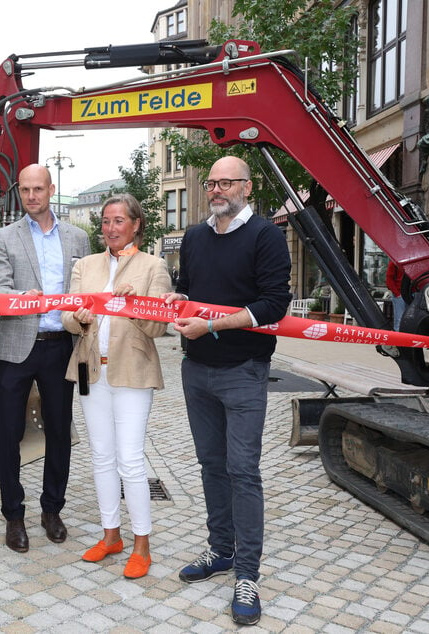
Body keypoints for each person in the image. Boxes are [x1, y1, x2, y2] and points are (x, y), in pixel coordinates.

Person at [162, 156, 291, 626]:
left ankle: (248, 574)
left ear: (246, 187)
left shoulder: (267, 236)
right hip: (197, 370)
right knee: (211, 465)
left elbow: (275, 304)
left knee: (243, 470)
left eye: (225, 183)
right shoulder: (194, 238)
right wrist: (179, 301)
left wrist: (213, 323)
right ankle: (220, 550)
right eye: (211, 183)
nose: (216, 189)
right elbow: (188, 288)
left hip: (244, 370)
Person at [61, 194, 169, 579]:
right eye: (105, 221)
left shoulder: (153, 267)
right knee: (101, 457)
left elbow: (159, 327)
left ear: (136, 223)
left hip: (133, 374)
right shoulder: (85, 265)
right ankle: (111, 536)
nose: (110, 228)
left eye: (118, 221)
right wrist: (80, 319)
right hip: (92, 372)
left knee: (131, 460)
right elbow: (67, 317)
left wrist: (136, 304)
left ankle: (142, 543)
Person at [0, 164, 91, 552]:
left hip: (60, 345)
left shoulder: (77, 239)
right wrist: (18, 299)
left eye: (38, 189)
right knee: (9, 432)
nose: (32, 196)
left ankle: (52, 509)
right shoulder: (4, 237)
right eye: (25, 190)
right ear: (20, 193)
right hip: (18, 344)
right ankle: (13, 515)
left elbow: (86, 290)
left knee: (59, 431)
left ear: (51, 189)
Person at [386, 260, 406, 330]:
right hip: (401, 293)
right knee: (399, 320)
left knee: (406, 319)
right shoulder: (394, 262)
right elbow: (389, 279)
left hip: (410, 293)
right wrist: (397, 294)